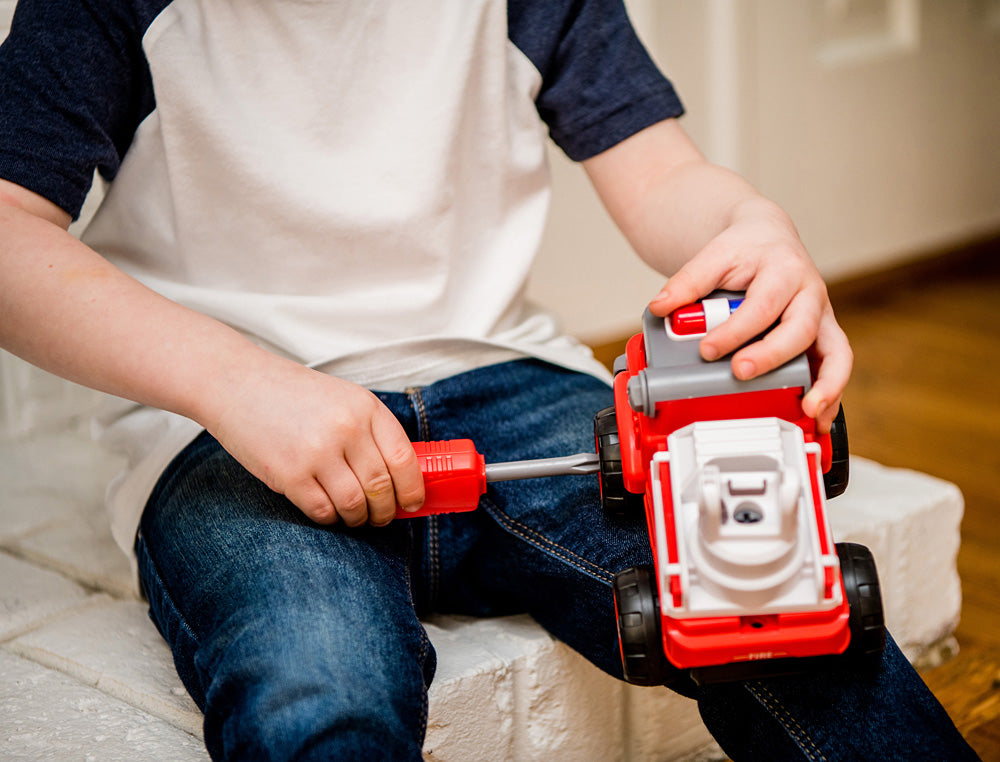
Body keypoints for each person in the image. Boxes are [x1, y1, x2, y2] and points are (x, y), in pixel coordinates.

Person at [0, 0, 978, 759]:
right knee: (320, 693)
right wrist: (234, 380)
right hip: (234, 436)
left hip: (510, 383)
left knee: (782, 610)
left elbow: (661, 178)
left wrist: (753, 228)